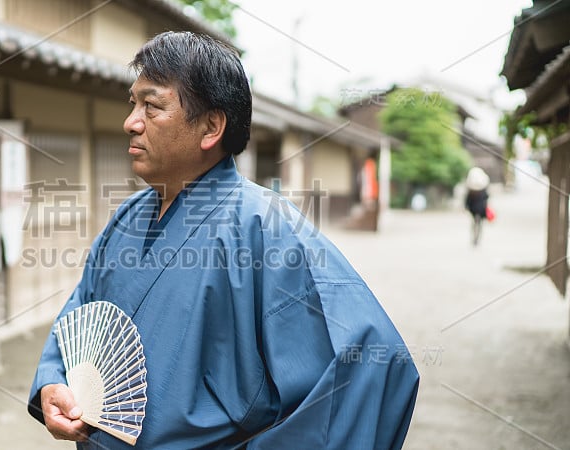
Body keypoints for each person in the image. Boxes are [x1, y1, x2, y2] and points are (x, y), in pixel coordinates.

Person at [28, 31, 419, 449]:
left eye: (152, 106)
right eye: (133, 103)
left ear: (211, 127)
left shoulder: (265, 227)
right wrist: (53, 383)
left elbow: (370, 363)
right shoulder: (126, 217)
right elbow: (79, 316)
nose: (131, 122)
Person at [464, 167, 490, 246]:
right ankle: (477, 237)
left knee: (475, 222)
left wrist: (466, 206)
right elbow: (486, 197)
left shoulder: (471, 189)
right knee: (479, 223)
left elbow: (467, 200)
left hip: (473, 209)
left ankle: (475, 237)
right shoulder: (483, 189)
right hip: (480, 208)